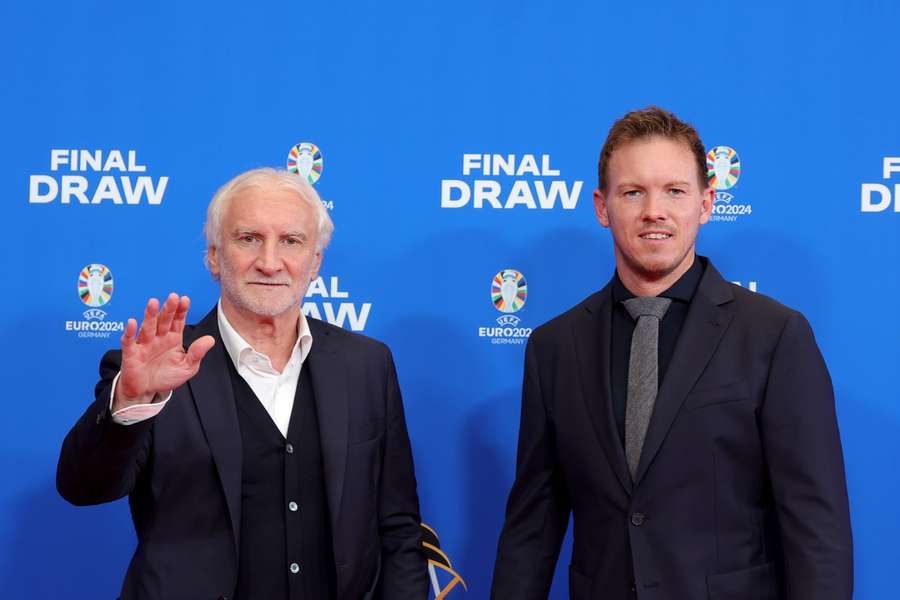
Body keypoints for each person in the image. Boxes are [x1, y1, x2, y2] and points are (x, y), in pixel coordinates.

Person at [491, 107, 852, 599]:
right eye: (633, 191)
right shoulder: (555, 347)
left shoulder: (774, 335)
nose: (653, 211)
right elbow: (532, 528)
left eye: (674, 191)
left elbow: (816, 527)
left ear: (705, 203)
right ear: (602, 206)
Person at [57, 168, 427, 600]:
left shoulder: (366, 365)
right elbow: (83, 488)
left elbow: (398, 527)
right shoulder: (158, 368)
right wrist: (134, 401)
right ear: (214, 255)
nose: (270, 262)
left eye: (291, 241)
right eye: (248, 238)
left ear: (316, 263)